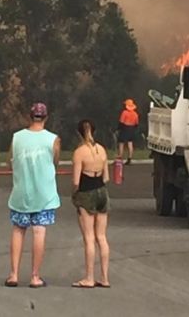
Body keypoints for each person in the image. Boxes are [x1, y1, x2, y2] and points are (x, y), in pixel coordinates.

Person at [4, 102, 61, 288]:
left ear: (30, 116)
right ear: (46, 117)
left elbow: (9, 162)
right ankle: (35, 276)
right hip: (44, 194)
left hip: (21, 192)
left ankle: (13, 274)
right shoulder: (53, 139)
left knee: (18, 230)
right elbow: (55, 161)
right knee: (39, 230)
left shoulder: (17, 138)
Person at [71, 119, 111, 289]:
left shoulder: (79, 152)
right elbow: (106, 177)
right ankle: (105, 277)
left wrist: (75, 194)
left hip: (87, 192)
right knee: (101, 237)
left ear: (79, 133)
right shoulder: (101, 150)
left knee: (89, 237)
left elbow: (75, 180)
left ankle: (89, 277)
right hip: (102, 192)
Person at [117, 99, 139, 165]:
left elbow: (121, 122)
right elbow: (136, 123)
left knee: (121, 143)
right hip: (132, 128)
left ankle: (120, 157)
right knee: (130, 143)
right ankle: (129, 158)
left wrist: (118, 129)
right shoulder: (135, 114)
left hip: (125, 128)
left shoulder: (124, 112)